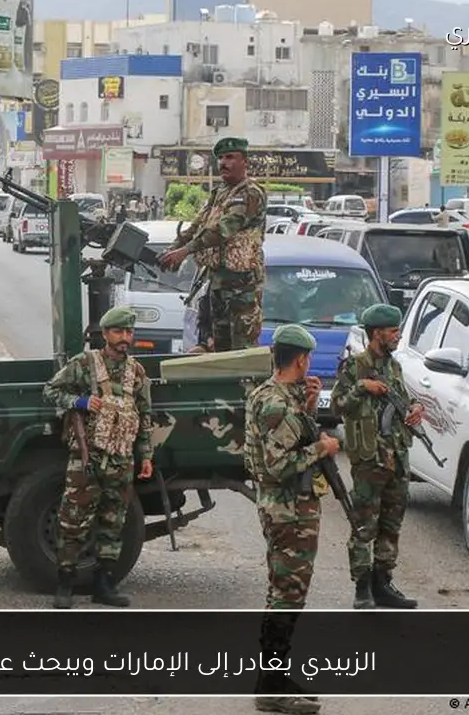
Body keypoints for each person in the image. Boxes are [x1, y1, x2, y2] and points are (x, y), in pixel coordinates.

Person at [244, 323, 339, 714]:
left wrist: (310, 407)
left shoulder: (270, 394)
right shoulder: (277, 403)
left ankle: (274, 676)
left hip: (286, 509)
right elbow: (279, 463)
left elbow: (288, 437)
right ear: (300, 359)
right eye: (308, 358)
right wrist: (322, 448)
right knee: (287, 596)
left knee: (282, 594)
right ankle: (270, 686)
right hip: (288, 512)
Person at [42, 306, 154, 609]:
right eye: (118, 332)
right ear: (105, 334)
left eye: (128, 332)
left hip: (121, 458)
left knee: (113, 521)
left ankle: (104, 585)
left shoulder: (136, 372)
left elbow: (145, 415)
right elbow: (50, 391)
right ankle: (65, 583)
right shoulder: (85, 364)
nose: (124, 338)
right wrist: (79, 401)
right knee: (73, 520)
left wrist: (146, 455)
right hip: (87, 457)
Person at [329, 304, 423, 610]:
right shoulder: (355, 366)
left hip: (397, 457)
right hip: (370, 460)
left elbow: (403, 400)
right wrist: (362, 387)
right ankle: (362, 587)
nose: (398, 336)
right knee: (364, 525)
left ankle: (383, 582)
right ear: (376, 333)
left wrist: (415, 409)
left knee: (391, 525)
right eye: (393, 331)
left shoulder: (394, 366)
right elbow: (337, 406)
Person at [156, 137, 266, 352]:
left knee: (242, 353)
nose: (224, 163)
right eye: (221, 158)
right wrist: (172, 249)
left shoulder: (250, 193)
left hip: (242, 287)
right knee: (220, 350)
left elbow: (223, 230)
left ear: (244, 162)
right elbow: (196, 226)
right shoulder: (219, 193)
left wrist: (185, 251)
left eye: (230, 157)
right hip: (218, 284)